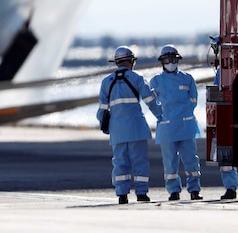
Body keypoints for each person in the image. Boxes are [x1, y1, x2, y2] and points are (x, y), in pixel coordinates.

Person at [96, 46, 163, 204]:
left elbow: (102, 110)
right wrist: (162, 117)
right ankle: (141, 193)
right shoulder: (138, 78)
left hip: (117, 129)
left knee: (120, 161)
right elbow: (151, 102)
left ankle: (122, 194)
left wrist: (105, 126)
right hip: (136, 127)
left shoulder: (106, 82)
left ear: (117, 62)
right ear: (131, 61)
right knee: (139, 160)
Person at [150, 44, 202, 201]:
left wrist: (182, 113)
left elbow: (193, 100)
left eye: (173, 59)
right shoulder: (156, 81)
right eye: (167, 60)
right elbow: (152, 103)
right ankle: (173, 191)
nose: (170, 62)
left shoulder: (187, 78)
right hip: (167, 127)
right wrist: (162, 115)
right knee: (170, 162)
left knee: (191, 160)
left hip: (186, 126)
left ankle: (194, 190)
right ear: (162, 62)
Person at [211, 39, 238, 200]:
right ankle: (230, 187)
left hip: (229, 117)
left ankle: (231, 187)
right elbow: (216, 93)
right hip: (227, 117)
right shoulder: (222, 71)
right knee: (227, 154)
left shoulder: (223, 71)